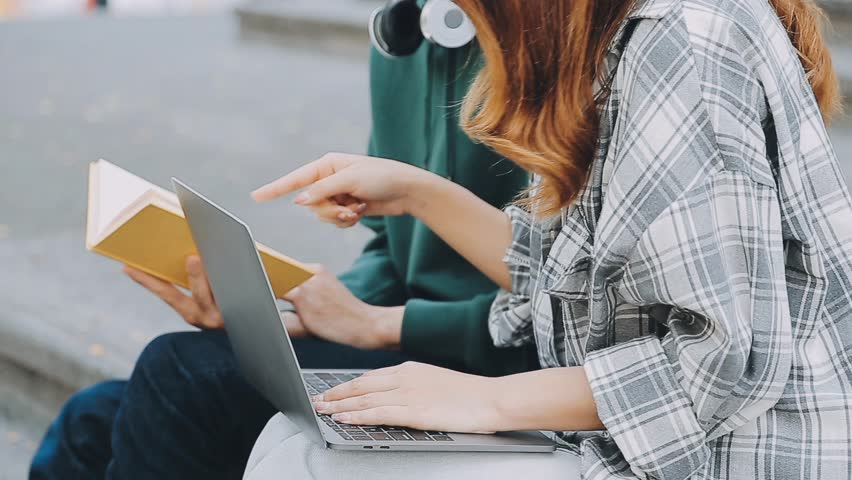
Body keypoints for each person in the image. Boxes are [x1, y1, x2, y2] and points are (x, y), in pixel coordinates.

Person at [241, 0, 852, 478]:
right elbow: (562, 282)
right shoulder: (605, 40)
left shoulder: (679, 41)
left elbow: (713, 368)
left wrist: (486, 400)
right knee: (293, 437)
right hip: (642, 441)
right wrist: (417, 194)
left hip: (734, 458)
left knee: (308, 461)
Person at [29, 29, 538, 480]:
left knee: (180, 373)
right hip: (398, 338)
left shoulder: (555, 52)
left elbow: (574, 301)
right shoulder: (403, 33)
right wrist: (302, 314)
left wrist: (381, 323)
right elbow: (391, 242)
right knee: (89, 420)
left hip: (507, 364)